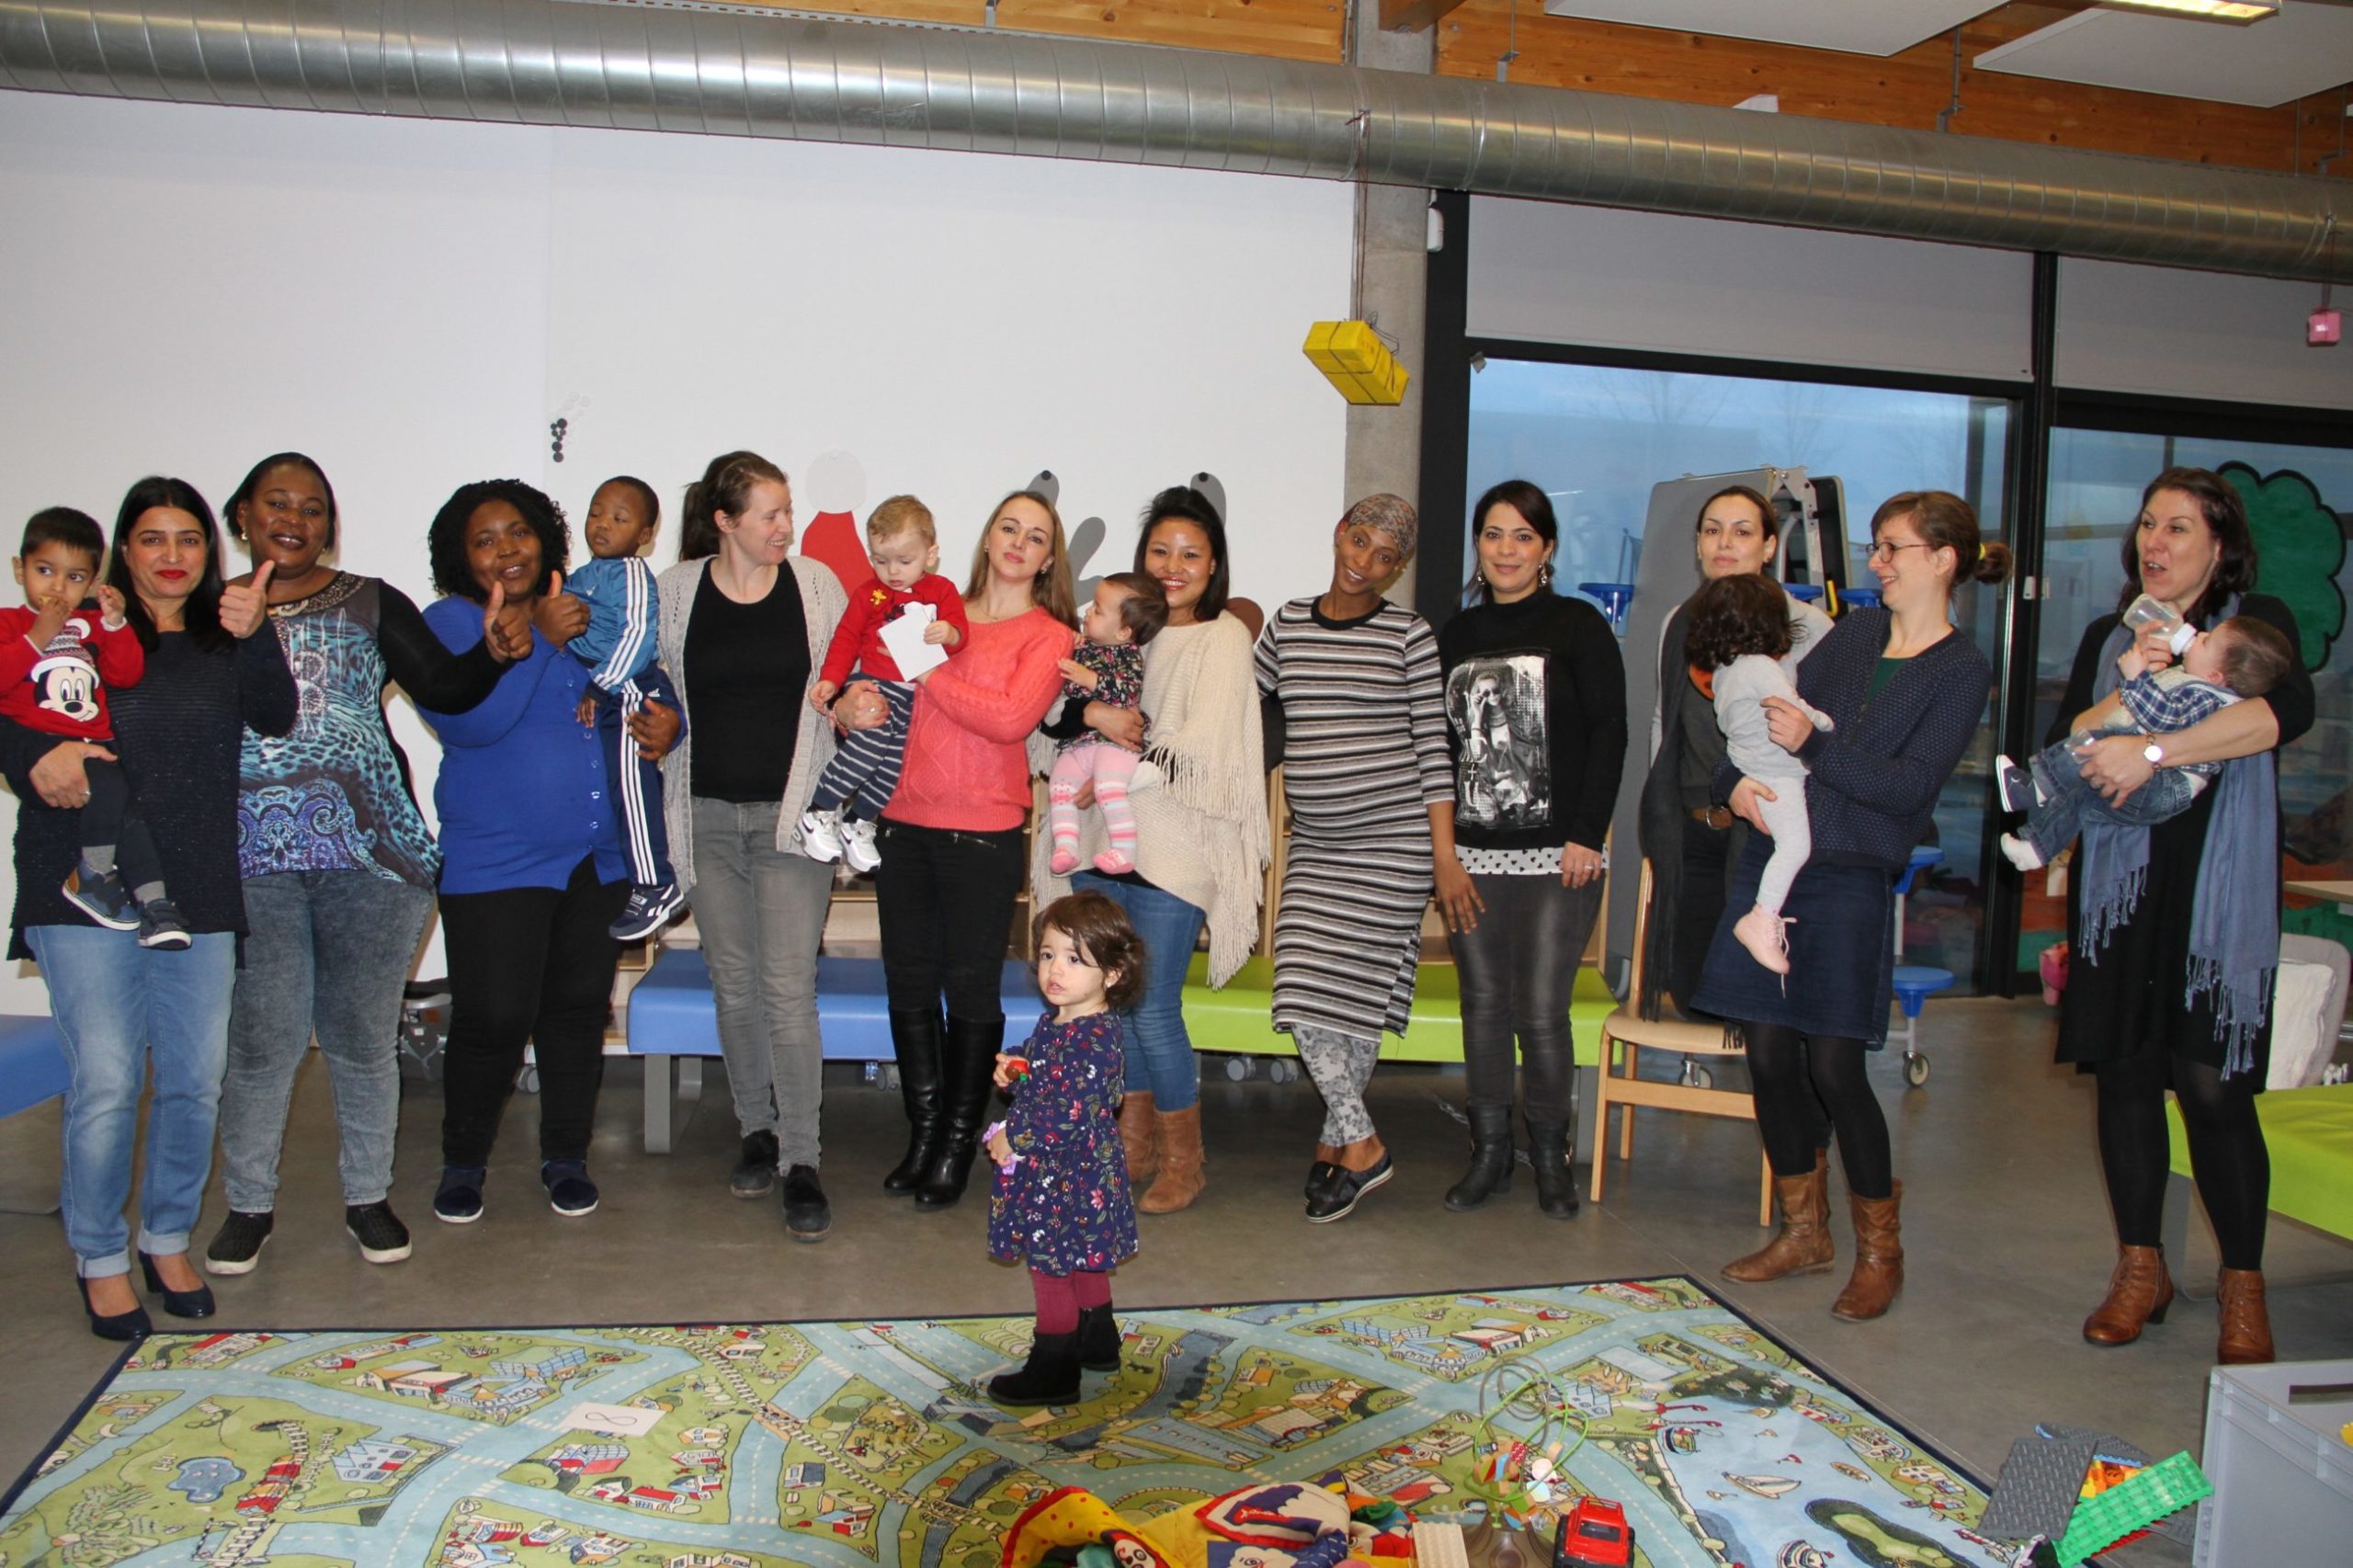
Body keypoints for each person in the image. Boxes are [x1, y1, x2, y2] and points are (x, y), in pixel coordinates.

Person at [1695, 491, 2008, 1322]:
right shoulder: (1856, 634)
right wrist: (1732, 787)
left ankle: (1880, 1252)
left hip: (1851, 873)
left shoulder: (1962, 669)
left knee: (1834, 1066)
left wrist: (1819, 748)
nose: (1877, 562)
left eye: (1893, 547)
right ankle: (1805, 1232)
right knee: (1768, 1055)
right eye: (1877, 545)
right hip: (1773, 858)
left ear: (1943, 559)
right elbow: (1759, 724)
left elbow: (1909, 788)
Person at [207, 452, 521, 1278]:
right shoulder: (210, 610)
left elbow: (444, 689)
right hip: (248, 862)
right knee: (263, 1043)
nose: (295, 519)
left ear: (330, 525)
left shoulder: (370, 600)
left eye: (313, 507)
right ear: (242, 517)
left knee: (360, 1039)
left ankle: (368, 1198)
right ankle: (248, 1206)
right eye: (277, 503)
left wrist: (491, 653)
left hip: (371, 856)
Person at [1, 476, 294, 1337]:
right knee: (107, 1081)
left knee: (195, 1081)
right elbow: (8, 706)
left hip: (196, 884)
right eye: (153, 539)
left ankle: (165, 1239)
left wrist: (257, 634)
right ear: (122, 551)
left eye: (189, 539)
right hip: (79, 882)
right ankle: (98, 1256)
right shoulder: (73, 628)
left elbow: (276, 714)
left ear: (210, 551)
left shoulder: (224, 637)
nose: (172, 556)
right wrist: (27, 757)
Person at [2052, 468, 2313, 1366]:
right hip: (2121, 889)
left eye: (2177, 528)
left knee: (2211, 1088)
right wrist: (2125, 697)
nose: (2153, 543)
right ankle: (2141, 1268)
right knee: (2125, 1076)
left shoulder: (2253, 623)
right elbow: (2066, 745)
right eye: (2147, 525)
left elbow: (2280, 715)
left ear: (2219, 545)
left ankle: (2243, 1285)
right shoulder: (2110, 637)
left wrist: (2152, 749)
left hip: (2214, 891)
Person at [1034, 485, 1269, 1215]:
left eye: (1190, 554)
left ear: (1214, 565)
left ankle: (1183, 1162)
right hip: (1101, 846)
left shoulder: (1221, 637)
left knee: (1154, 1008)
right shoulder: (1117, 635)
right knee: (1114, 1003)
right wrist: (1090, 718)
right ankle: (1131, 1148)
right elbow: (1055, 718)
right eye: (1160, 552)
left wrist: (1114, 768)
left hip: (1174, 851)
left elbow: (1200, 747)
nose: (1174, 566)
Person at [417, 478, 643, 1228]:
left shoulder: (583, 610)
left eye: (518, 531)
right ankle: (463, 1162)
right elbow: (470, 723)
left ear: (545, 538)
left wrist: (663, 721)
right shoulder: (450, 623)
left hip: (594, 856)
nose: (507, 549)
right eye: (484, 540)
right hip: (496, 860)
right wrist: (540, 638)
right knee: (494, 1015)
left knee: (576, 1013)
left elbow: (629, 684)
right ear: (461, 558)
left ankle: (566, 1157)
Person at [862, 489, 1075, 1211]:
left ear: (1047, 559)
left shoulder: (1049, 635)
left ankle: (959, 1139)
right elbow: (883, 691)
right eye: (1008, 527)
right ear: (986, 538)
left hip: (982, 833)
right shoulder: (929, 609)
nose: (1019, 542)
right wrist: (851, 703)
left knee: (972, 988)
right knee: (908, 983)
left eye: (1036, 536)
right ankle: (923, 1134)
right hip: (903, 820)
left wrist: (928, 670)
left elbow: (1009, 719)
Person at [654, 450, 846, 1239]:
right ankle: (755, 1132)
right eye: (770, 514)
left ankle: (802, 1159)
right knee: (733, 986)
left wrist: (855, 702)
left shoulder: (817, 588)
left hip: (791, 819)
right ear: (725, 521)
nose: (785, 527)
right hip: (702, 816)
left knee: (787, 989)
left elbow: (852, 677)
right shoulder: (674, 592)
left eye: (788, 510)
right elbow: (650, 689)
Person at [1255, 494, 1451, 1224]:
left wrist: (1444, 857)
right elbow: (1240, 702)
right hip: (1317, 845)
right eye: (1359, 541)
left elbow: (1434, 749)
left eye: (1384, 557)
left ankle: (1341, 1145)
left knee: (1357, 1001)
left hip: (1394, 846)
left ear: (1397, 569)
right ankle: (1359, 1140)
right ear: (1340, 532)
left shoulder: (1409, 635)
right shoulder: (1288, 623)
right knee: (1302, 981)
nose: (1364, 562)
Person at [1433, 480, 1624, 1220]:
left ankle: (1550, 1157)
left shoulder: (1578, 625)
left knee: (1542, 1011)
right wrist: (1445, 855)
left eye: (1522, 536)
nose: (1506, 550)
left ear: (1546, 549)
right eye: (1493, 534)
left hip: (1558, 856)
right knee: (1483, 1007)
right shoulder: (1455, 635)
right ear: (1478, 546)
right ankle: (1489, 1153)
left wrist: (1587, 834)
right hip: (1472, 856)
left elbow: (1610, 732)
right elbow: (1438, 750)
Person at [1636, 486, 1833, 1018]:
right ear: (1698, 544)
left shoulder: (1807, 626)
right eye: (1712, 530)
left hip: (1764, 830)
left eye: (1742, 531)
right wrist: (1666, 804)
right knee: (1692, 987)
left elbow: (1819, 737)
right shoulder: (1678, 621)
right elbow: (1664, 722)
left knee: (1756, 1001)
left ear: (1769, 547)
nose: (1724, 543)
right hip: (1693, 828)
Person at [981, 891, 1142, 1405]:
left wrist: (1014, 1137)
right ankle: (1097, 1341)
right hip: (1076, 1172)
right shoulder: (1061, 1021)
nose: (1055, 969)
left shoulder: (1093, 1039)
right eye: (1049, 954)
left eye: (1075, 960)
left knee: (1050, 1265)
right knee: (1084, 1256)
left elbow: (1068, 1113)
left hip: (1067, 1172)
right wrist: (1017, 1066)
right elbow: (1042, 1066)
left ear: (1112, 975)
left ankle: (1054, 1368)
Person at [1, 508, 183, 948]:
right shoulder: (10, 623)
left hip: (95, 741)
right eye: (45, 571)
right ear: (19, 569)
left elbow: (125, 673)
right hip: (47, 742)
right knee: (114, 791)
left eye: (75, 577)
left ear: (92, 581)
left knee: (129, 814)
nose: (57, 588)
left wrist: (116, 624)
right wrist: (39, 635)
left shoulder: (90, 626)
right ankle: (93, 873)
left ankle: (155, 905)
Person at [1996, 614, 2290, 871]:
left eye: (2207, 641)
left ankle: (2033, 788)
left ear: (2215, 675)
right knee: (2084, 797)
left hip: (2167, 786)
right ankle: (2035, 850)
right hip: (2163, 788)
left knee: (2097, 747)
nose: (2198, 635)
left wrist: (2137, 678)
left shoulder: (2207, 697)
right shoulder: (2197, 685)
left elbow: (2163, 718)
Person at [800, 494, 967, 874]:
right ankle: (819, 811)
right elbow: (846, 639)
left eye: (904, 561)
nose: (892, 571)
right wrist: (831, 680)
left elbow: (962, 637)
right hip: (875, 686)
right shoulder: (869, 594)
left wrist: (949, 633)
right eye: (880, 560)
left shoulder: (942, 590)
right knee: (867, 749)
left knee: (894, 767)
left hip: (917, 698)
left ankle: (858, 821)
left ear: (930, 554)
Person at [1685, 573, 1839, 976]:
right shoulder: (1760, 667)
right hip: (1777, 775)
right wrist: (1824, 723)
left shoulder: (1724, 671)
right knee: (1795, 847)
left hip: (1751, 769)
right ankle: (1762, 915)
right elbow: (1790, 707)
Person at [566, 474, 686, 941]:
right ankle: (646, 879)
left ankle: (656, 883)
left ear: (644, 535)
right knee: (618, 788)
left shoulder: (632, 573)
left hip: (632, 687)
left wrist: (600, 685)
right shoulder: (585, 575)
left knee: (632, 784)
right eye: (596, 513)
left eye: (619, 518)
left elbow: (638, 636)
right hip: (612, 689)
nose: (602, 524)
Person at [1046, 573, 1167, 876]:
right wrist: (1069, 644)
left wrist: (1090, 679)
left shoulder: (1129, 655)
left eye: (1098, 610)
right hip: (1078, 745)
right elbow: (1062, 693)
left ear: (1124, 632)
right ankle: (1066, 846)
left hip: (1115, 745)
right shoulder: (1083, 647)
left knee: (1109, 789)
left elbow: (1128, 693)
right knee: (1060, 787)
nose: (1088, 612)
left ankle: (1124, 850)